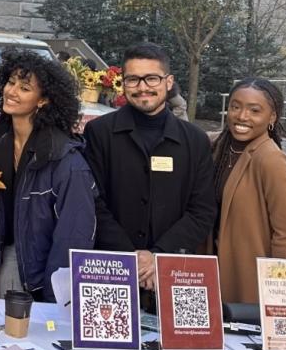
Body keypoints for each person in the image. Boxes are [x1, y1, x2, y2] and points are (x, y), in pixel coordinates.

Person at [84, 43, 216, 291]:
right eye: (133, 79)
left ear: (168, 82)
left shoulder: (195, 140)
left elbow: (202, 210)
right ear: (123, 84)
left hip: (173, 270)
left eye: (151, 78)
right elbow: (92, 201)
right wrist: (129, 256)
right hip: (110, 267)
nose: (142, 87)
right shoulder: (99, 133)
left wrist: (159, 255)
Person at [0, 48, 97, 302]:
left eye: (25, 88)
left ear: (43, 100)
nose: (12, 91)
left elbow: (74, 237)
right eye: (10, 82)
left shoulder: (65, 159)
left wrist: (54, 297)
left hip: (36, 276)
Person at [210, 78, 286, 303]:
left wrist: (279, 295)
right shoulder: (217, 147)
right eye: (235, 106)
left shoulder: (271, 159)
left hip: (248, 283)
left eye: (254, 110)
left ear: (272, 117)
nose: (242, 116)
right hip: (211, 270)